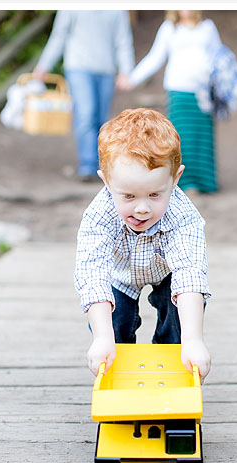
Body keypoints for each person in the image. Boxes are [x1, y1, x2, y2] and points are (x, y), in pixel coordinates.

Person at [74, 108, 211, 382]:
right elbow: (92, 274)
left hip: (168, 273)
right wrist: (102, 338)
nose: (141, 208)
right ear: (106, 181)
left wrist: (193, 340)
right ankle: (118, 368)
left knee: (179, 316)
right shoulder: (98, 216)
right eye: (127, 196)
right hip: (119, 274)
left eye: (154, 194)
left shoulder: (183, 217)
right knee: (116, 325)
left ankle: (174, 359)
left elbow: (190, 274)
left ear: (175, 178)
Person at [120, 10, 222, 194]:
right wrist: (133, 78)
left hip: (203, 92)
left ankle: (206, 182)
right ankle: (185, 182)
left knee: (202, 136)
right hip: (179, 90)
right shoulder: (169, 28)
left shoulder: (208, 28)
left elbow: (219, 57)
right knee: (182, 136)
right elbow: (155, 57)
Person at [33, 9, 135, 183]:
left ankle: (101, 164)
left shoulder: (117, 10)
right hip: (78, 67)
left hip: (106, 70)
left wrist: (126, 71)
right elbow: (59, 36)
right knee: (86, 114)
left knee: (101, 120)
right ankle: (88, 166)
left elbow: (123, 40)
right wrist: (44, 66)